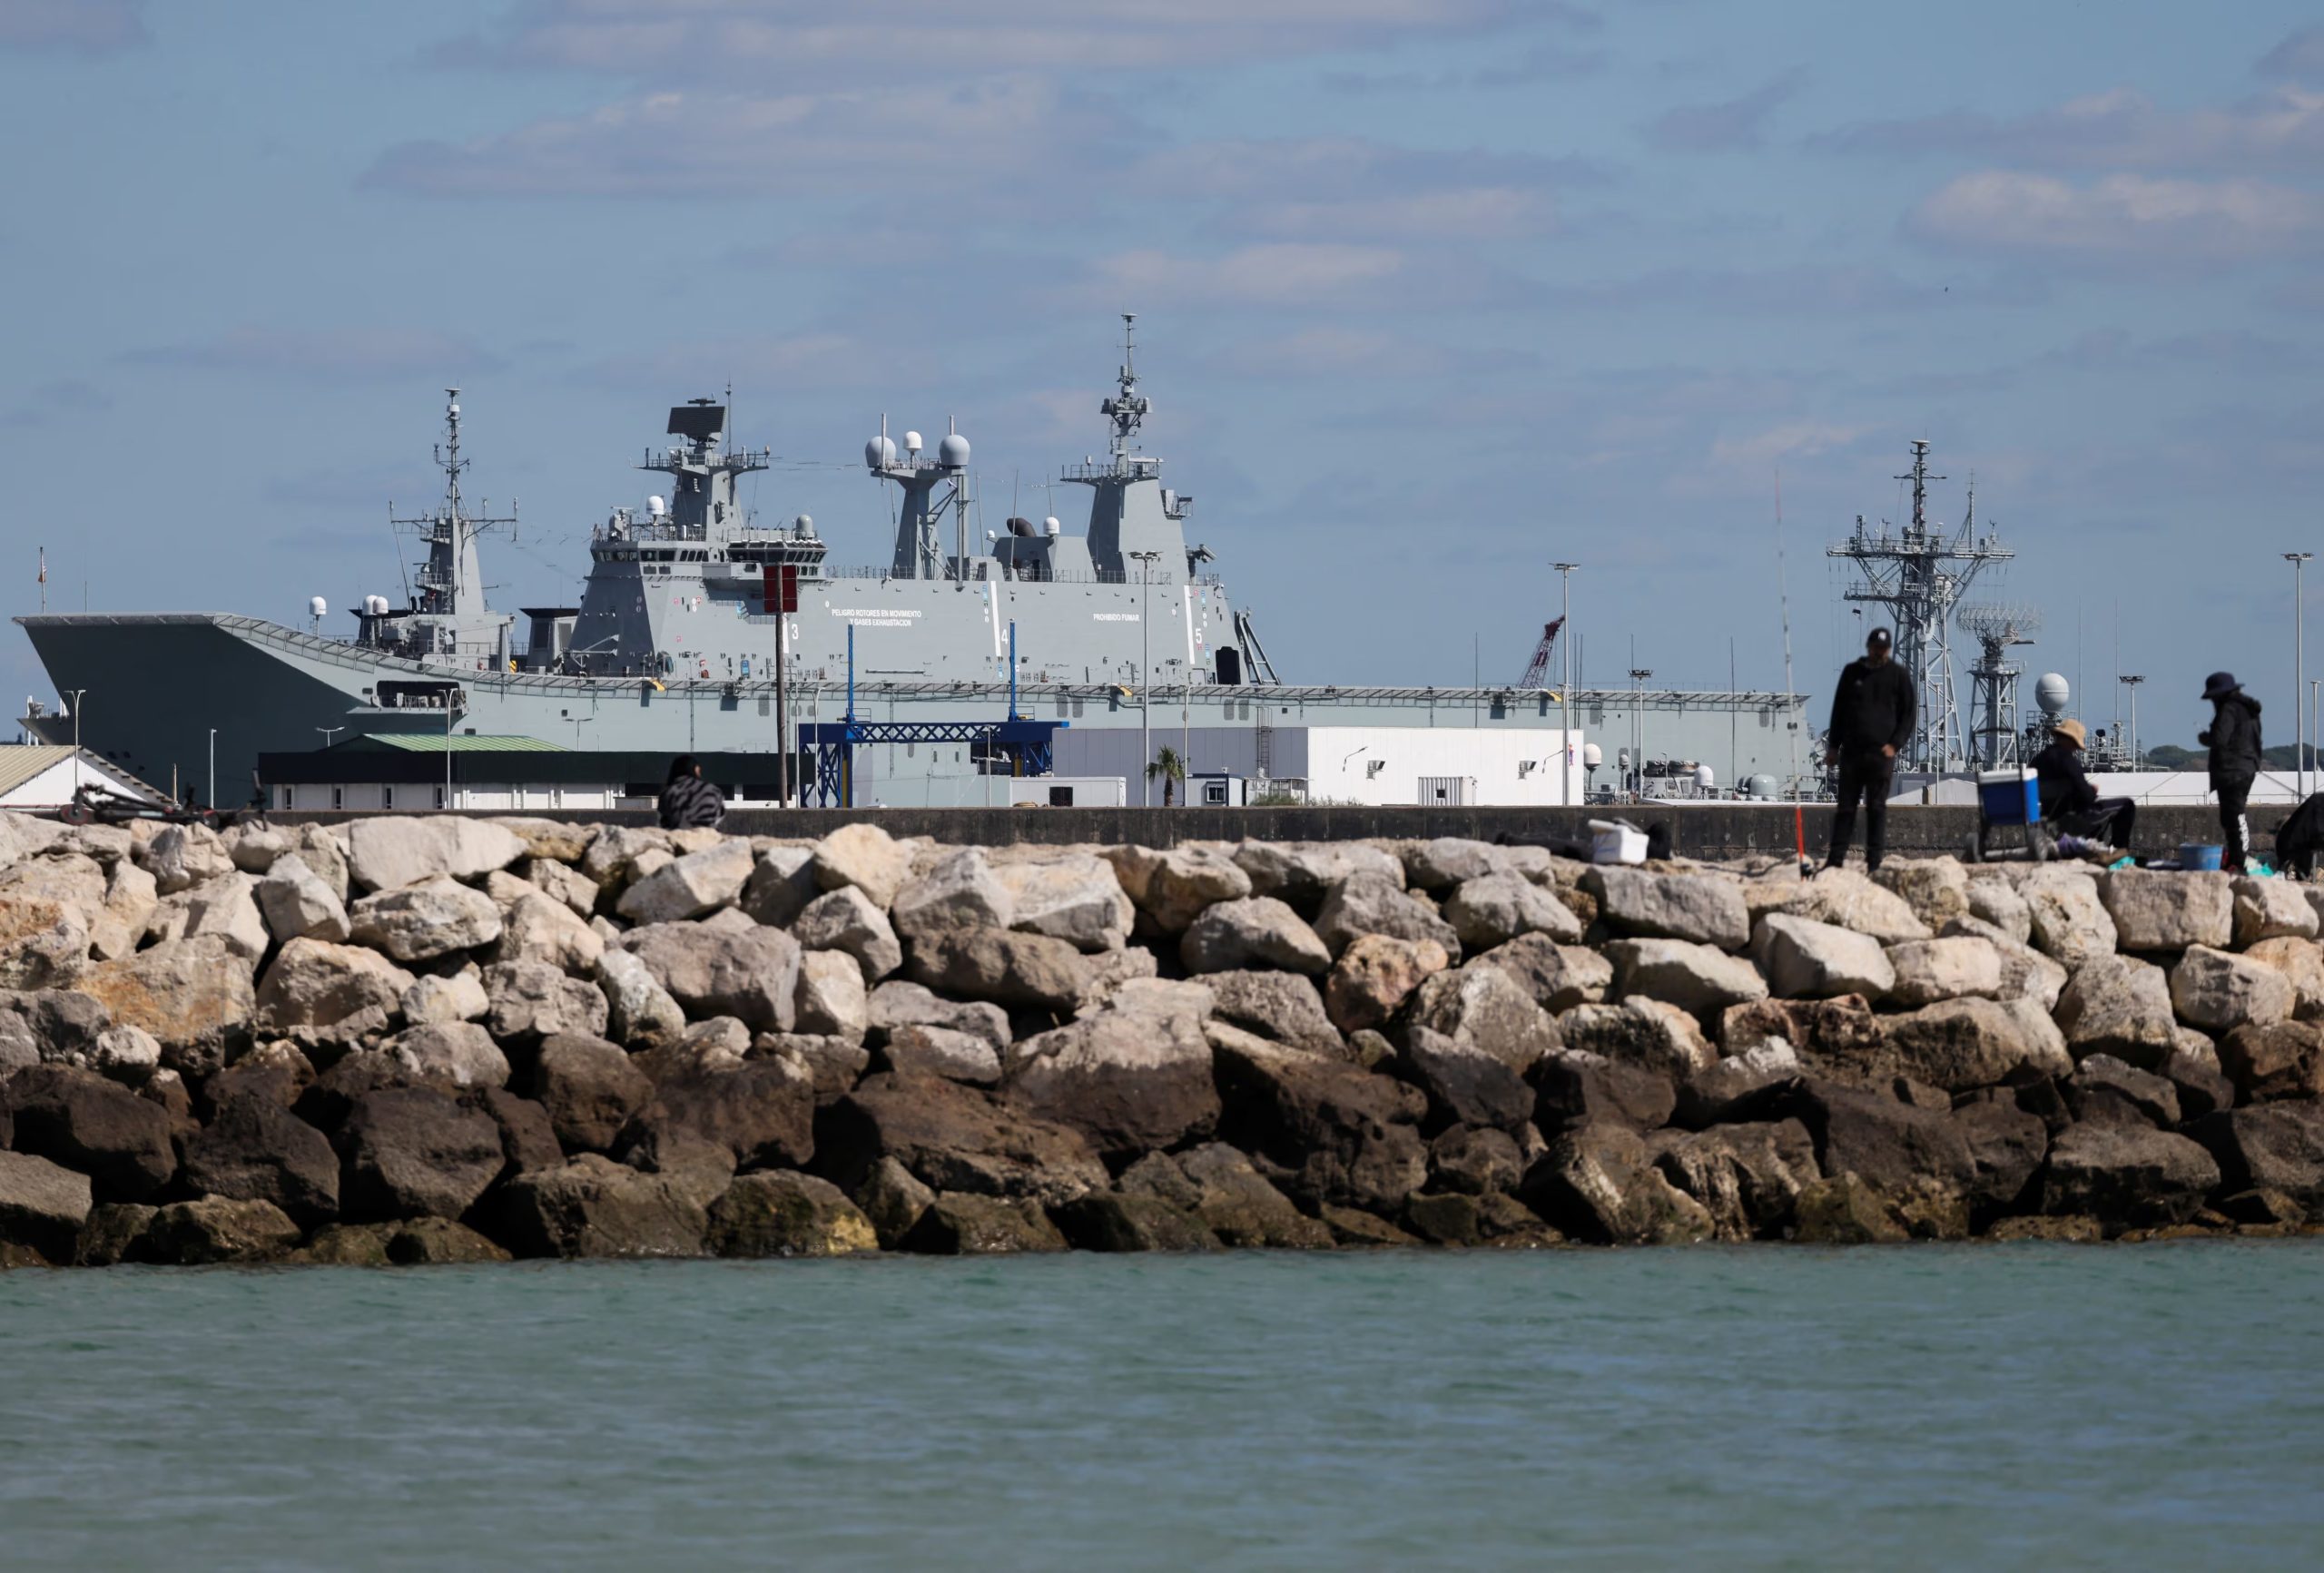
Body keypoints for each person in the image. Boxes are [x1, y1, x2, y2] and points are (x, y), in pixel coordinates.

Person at [1825, 626, 1915, 873]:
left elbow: (1908, 715)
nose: (1879, 652)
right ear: (1868, 646)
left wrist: (1895, 745)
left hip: (1880, 755)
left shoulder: (1898, 675)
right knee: (1846, 808)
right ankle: (1835, 860)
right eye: (1876, 647)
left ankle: (1874, 863)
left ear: (1889, 650)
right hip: (1852, 753)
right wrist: (1833, 746)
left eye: (1883, 649)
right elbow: (1839, 711)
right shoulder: (1852, 672)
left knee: (1876, 808)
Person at [2030, 718, 2135, 851]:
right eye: (2075, 744)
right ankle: (2120, 850)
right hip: (2075, 818)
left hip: (2049, 816)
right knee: (2127, 805)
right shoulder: (2067, 760)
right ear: (2070, 740)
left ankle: (2091, 847)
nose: (2075, 749)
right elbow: (2087, 797)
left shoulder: (2037, 761)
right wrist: (2092, 789)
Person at [2197, 670, 2262, 872]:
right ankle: (2236, 859)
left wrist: (2204, 738)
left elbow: (2219, 739)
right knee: (2236, 815)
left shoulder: (2228, 709)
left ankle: (2237, 862)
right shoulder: (2248, 709)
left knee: (2231, 818)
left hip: (2231, 770)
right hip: (2248, 767)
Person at [657, 753, 725, 831]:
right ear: (696, 770)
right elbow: (719, 817)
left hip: (679, 835)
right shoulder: (714, 790)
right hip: (707, 835)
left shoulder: (668, 792)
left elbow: (663, 822)